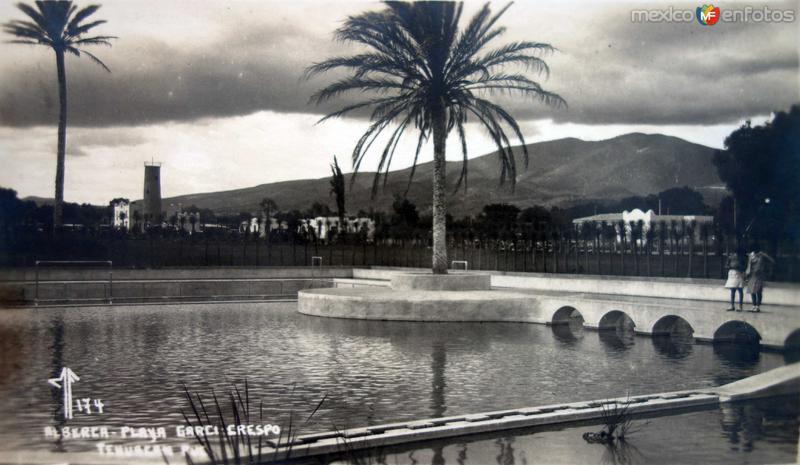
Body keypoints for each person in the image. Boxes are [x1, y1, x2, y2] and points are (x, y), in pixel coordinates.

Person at [744, 248, 775, 312]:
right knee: (752, 291)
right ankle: (754, 305)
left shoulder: (761, 256)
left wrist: (764, 254)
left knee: (758, 290)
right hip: (752, 275)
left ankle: (757, 306)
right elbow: (748, 265)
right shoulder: (751, 256)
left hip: (759, 275)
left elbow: (771, 261)